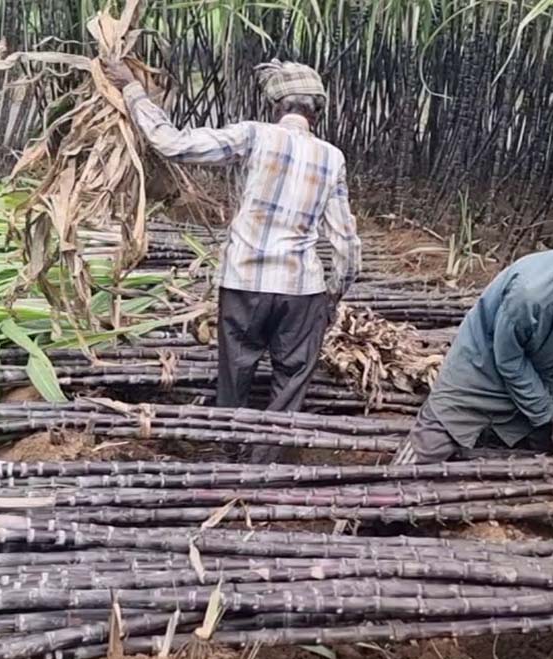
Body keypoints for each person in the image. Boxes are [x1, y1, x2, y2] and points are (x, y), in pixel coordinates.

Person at [105, 59, 361, 457]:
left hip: (243, 282)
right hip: (301, 289)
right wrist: (333, 294)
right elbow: (344, 241)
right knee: (291, 381)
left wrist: (132, 90)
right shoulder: (333, 158)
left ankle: (227, 454)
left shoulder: (254, 136)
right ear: (317, 111)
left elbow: (172, 144)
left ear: (277, 106)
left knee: (236, 377)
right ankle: (263, 466)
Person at [393, 218, 553, 476]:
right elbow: (508, 361)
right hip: (480, 374)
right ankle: (372, 512)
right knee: (418, 460)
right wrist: (549, 414)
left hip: (546, 382)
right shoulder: (530, 293)